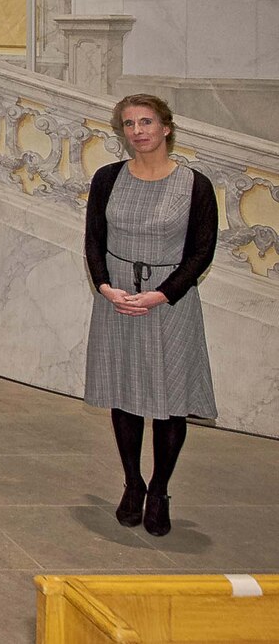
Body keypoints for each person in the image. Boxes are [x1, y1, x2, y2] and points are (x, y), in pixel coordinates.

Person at [84, 94, 218, 537]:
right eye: (128, 124)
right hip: (118, 298)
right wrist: (106, 287)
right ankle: (132, 484)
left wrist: (161, 295)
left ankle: (159, 490)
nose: (137, 131)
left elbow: (201, 252)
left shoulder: (195, 185)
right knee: (124, 394)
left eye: (146, 122)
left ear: (166, 128)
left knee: (168, 401)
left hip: (170, 303)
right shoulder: (107, 178)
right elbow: (94, 239)